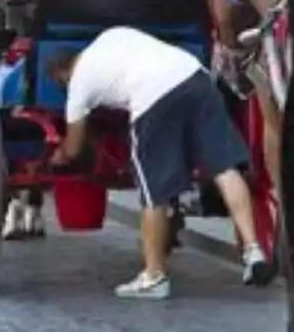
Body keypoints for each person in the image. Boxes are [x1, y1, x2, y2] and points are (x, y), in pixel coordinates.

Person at [46, 26, 273, 298]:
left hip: (153, 97)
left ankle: (154, 276)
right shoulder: (112, 36)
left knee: (154, 191)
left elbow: (73, 148)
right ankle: (253, 251)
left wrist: (59, 153)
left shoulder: (78, 86)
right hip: (194, 75)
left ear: (62, 75)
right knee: (224, 167)